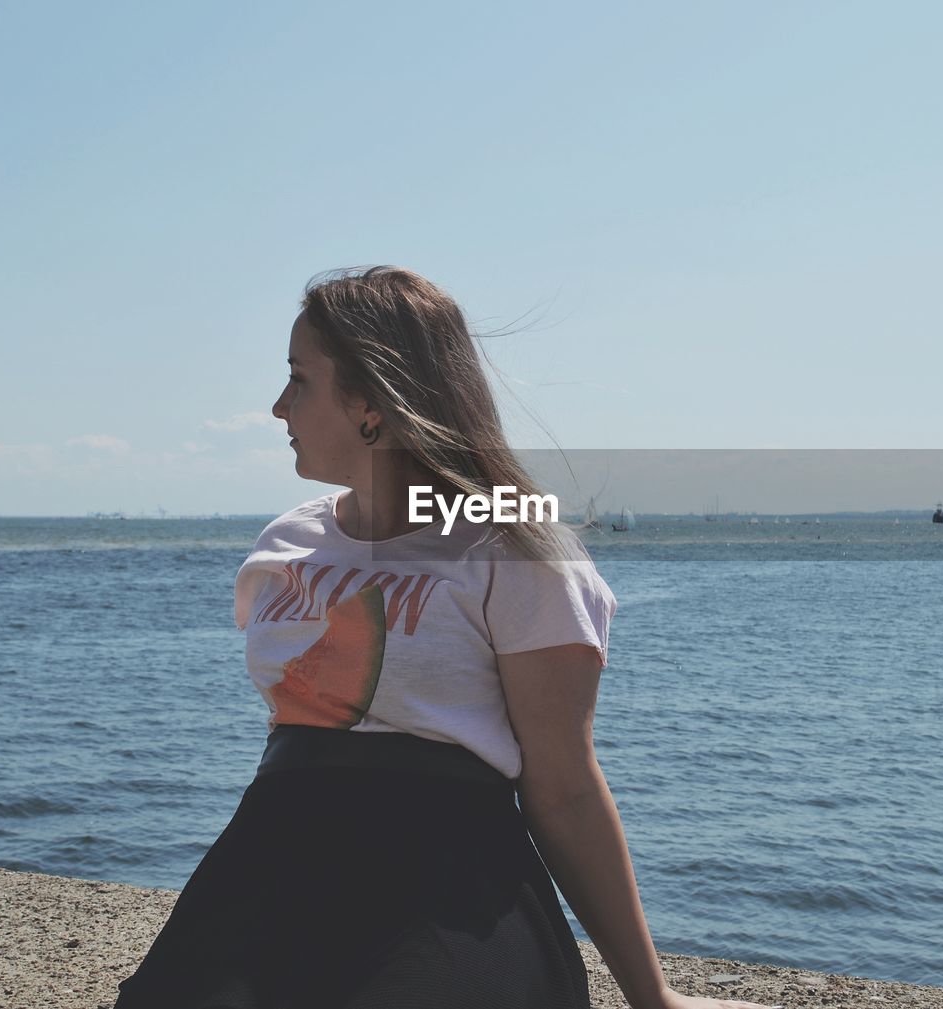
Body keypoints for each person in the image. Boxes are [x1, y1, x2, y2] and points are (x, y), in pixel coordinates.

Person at [114, 266, 774, 1009]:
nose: (277, 406)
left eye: (299, 380)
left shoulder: (517, 553)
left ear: (370, 403)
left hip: (449, 877)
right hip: (272, 860)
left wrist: (653, 996)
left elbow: (563, 787)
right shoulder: (286, 543)